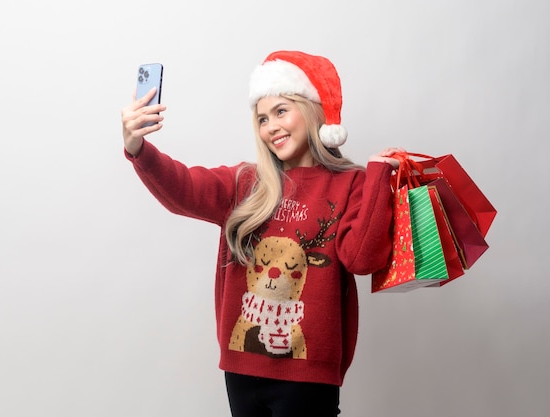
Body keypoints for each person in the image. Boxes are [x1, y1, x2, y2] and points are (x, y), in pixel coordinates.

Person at [121, 50, 403, 417]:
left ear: (313, 110)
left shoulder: (351, 184)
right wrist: (137, 148)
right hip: (241, 370)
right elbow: (183, 188)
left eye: (281, 111)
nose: (271, 126)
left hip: (309, 374)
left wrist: (379, 176)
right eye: (262, 118)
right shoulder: (244, 183)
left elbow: (362, 259)